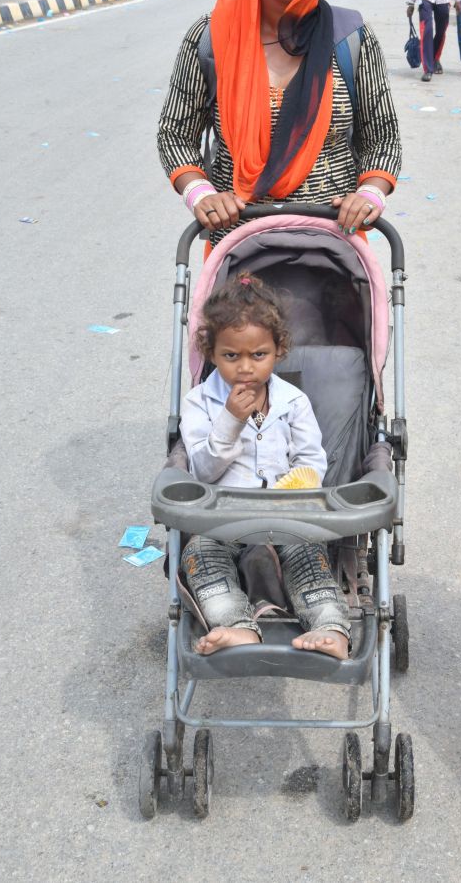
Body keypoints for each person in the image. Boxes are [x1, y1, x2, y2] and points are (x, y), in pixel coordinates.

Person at [157, 0, 402, 248]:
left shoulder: (350, 39)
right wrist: (201, 194)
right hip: (237, 252)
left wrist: (369, 194)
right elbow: (175, 133)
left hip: (332, 253)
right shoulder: (212, 38)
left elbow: (383, 137)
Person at [180, 271, 351, 659]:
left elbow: (311, 459)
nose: (245, 367)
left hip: (285, 515)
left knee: (310, 558)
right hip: (222, 518)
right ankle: (236, 627)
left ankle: (330, 628)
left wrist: (295, 488)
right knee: (202, 558)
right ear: (211, 353)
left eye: (259, 355)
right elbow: (201, 471)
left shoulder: (293, 402)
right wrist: (229, 421)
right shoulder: (199, 404)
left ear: (278, 350)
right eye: (230, 356)